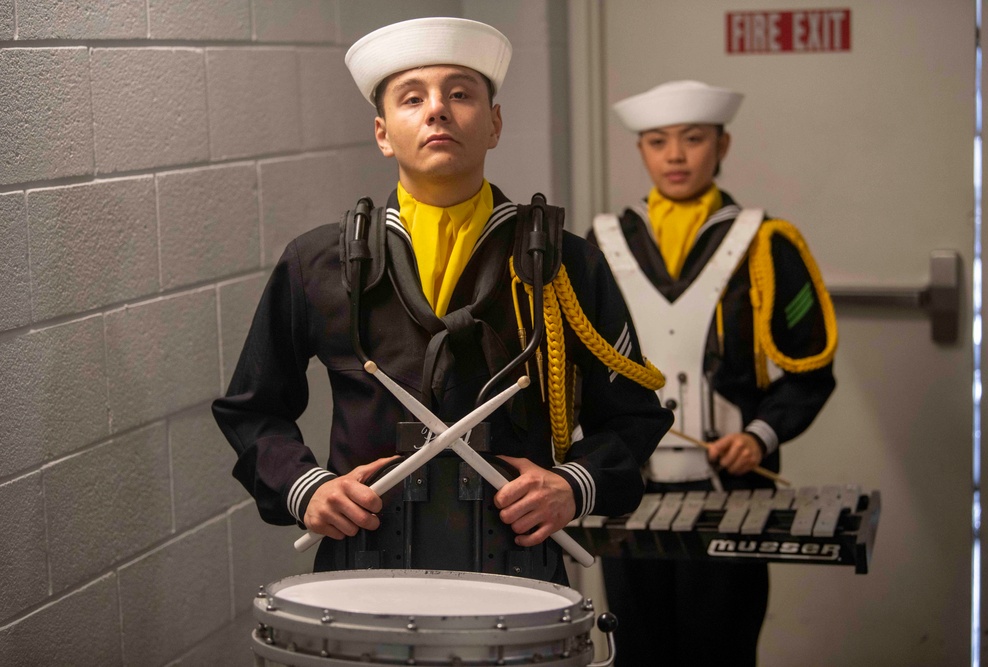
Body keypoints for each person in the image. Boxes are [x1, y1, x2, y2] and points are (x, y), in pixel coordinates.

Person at [212, 17, 672, 585]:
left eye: (460, 94)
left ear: (495, 122)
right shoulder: (319, 263)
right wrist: (306, 489)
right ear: (383, 133)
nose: (437, 110)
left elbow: (633, 415)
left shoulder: (564, 264)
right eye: (413, 98)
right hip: (365, 566)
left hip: (519, 568)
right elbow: (252, 409)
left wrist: (574, 484)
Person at [591, 80, 838, 664]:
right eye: (657, 142)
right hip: (631, 496)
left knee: (720, 650)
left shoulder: (767, 243)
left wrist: (760, 437)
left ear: (722, 145)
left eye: (693, 139)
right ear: (642, 152)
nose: (675, 156)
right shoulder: (600, 246)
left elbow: (811, 372)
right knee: (639, 652)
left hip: (733, 496)